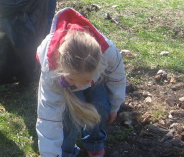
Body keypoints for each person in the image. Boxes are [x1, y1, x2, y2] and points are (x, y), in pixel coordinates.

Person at [36, 8, 126, 157]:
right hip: (63, 84)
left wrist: (115, 106)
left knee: (101, 107)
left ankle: (94, 141)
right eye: (73, 79)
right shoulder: (51, 70)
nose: (79, 85)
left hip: (94, 81)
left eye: (84, 80)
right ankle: (66, 151)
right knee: (71, 117)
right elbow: (48, 117)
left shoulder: (108, 52)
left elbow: (117, 78)